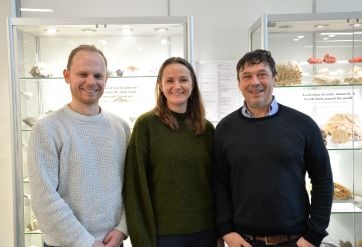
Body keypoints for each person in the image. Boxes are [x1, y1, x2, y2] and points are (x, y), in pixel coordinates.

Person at [212, 49, 333, 247]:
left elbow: (323, 179)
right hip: (244, 241)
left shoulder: (303, 124)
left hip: (295, 240)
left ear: (274, 79)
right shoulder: (225, 129)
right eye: (247, 76)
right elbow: (219, 183)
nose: (255, 82)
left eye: (262, 74)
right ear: (239, 84)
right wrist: (226, 230)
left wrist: (314, 235)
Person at [28, 45, 129, 247]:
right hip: (65, 244)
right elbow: (44, 198)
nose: (91, 81)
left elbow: (131, 187)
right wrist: (86, 242)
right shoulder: (46, 129)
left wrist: (122, 229)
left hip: (112, 242)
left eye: (98, 75)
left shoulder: (121, 127)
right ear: (67, 76)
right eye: (83, 74)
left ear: (106, 79)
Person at [124, 57, 222, 247]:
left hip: (205, 232)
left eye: (183, 80)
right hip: (163, 235)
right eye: (169, 80)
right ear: (160, 85)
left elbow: (216, 183)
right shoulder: (146, 126)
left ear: (192, 84)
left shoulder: (206, 129)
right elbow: (135, 186)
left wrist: (220, 231)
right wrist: (141, 239)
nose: (177, 86)